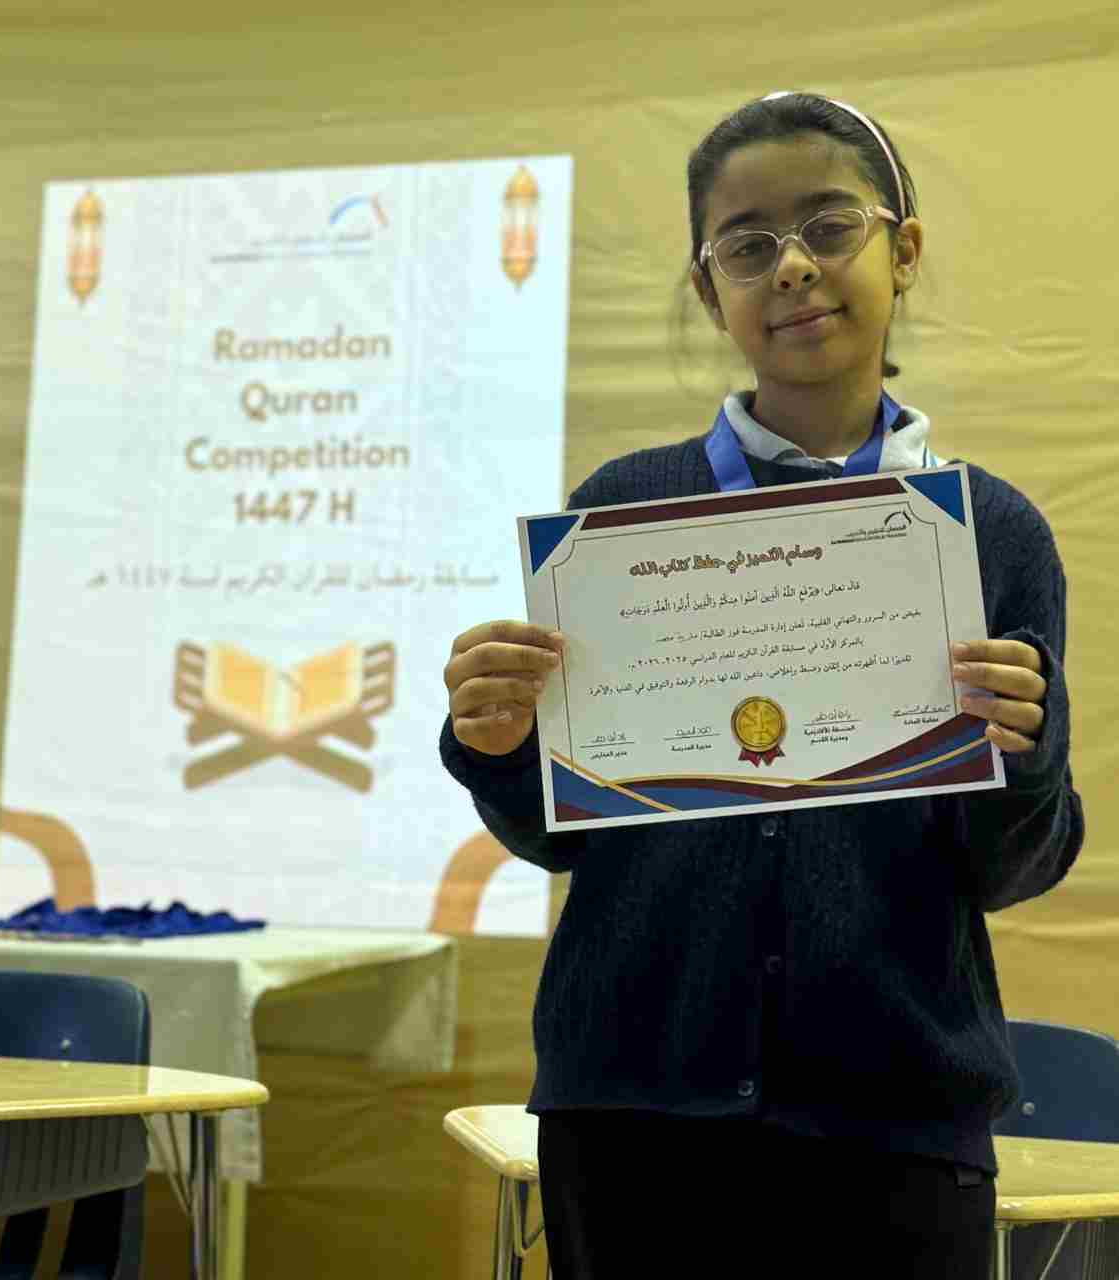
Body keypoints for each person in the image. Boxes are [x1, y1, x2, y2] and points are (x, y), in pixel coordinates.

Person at [440, 91, 1084, 1279]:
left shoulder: (989, 532)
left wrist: (1024, 756)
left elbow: (1013, 866)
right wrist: (496, 744)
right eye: (745, 245)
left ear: (904, 249)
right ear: (709, 291)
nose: (791, 266)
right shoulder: (620, 513)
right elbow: (562, 835)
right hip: (632, 1115)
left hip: (897, 1119)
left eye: (829, 226)